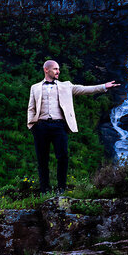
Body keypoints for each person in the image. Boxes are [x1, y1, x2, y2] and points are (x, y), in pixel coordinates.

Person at [28, 59, 119, 193]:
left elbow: (84, 89)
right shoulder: (35, 87)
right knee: (42, 159)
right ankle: (44, 189)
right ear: (46, 70)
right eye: (55, 69)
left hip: (59, 126)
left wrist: (104, 86)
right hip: (41, 127)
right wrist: (32, 126)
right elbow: (31, 108)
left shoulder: (66, 86)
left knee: (63, 157)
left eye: (58, 69)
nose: (58, 71)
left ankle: (61, 188)